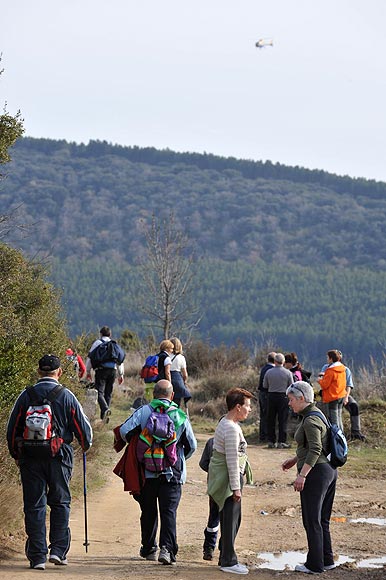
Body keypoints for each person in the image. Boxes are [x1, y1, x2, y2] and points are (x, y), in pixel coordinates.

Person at [6, 354, 93, 570]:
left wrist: (17, 456)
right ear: (60, 372)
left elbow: (11, 430)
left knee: (34, 505)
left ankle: (37, 557)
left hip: (30, 458)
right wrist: (83, 444)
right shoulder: (67, 396)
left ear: (38, 372)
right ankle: (58, 551)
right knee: (60, 502)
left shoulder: (26, 395)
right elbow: (85, 434)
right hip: (59, 457)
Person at [119, 379, 197, 565]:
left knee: (148, 511)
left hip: (146, 473)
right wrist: (178, 458)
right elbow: (192, 446)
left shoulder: (143, 411)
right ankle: (167, 550)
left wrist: (140, 447)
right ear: (172, 395)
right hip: (172, 473)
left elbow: (124, 431)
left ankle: (149, 549)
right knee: (168, 512)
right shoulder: (180, 416)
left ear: (153, 395)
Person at [281, 381, 337, 574]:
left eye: (291, 400)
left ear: (301, 398)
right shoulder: (318, 414)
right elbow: (311, 446)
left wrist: (302, 475)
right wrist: (294, 459)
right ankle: (326, 560)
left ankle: (314, 565)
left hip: (317, 473)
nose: (289, 404)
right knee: (322, 519)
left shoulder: (310, 420)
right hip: (328, 470)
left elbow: (315, 449)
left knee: (311, 520)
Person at [207, 388, 253, 575]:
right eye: (248, 406)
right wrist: (236, 488)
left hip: (225, 478)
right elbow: (232, 461)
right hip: (228, 481)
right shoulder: (231, 428)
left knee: (230, 519)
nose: (249, 410)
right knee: (231, 520)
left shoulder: (227, 423)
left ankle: (225, 556)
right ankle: (228, 560)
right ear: (238, 407)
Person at [320, 350, 365, 441]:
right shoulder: (326, 367)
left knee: (354, 406)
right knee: (334, 415)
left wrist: (346, 397)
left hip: (343, 393)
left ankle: (355, 431)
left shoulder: (345, 369)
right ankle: (334, 435)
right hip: (332, 394)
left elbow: (349, 385)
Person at [86, 326, 124, 422]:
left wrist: (88, 372)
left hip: (101, 370)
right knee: (108, 393)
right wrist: (121, 375)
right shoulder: (114, 345)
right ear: (110, 334)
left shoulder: (97, 343)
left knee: (99, 392)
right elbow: (120, 361)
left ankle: (105, 409)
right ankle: (105, 418)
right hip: (113, 371)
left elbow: (90, 358)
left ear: (101, 334)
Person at [263, 353, 294, 448]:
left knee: (271, 419)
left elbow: (265, 385)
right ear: (283, 362)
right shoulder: (288, 373)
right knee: (282, 419)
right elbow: (291, 385)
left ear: (275, 361)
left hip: (271, 396)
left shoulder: (268, 372)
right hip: (283, 397)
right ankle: (282, 441)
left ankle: (271, 441)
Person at [199, 436, 220, 561]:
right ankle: (225, 550)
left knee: (214, 517)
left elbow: (203, 463)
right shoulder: (237, 439)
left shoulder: (211, 441)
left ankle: (209, 548)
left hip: (214, 484)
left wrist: (214, 471)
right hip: (231, 487)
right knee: (229, 520)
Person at [317, 350, 347, 432]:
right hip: (341, 395)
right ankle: (342, 437)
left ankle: (337, 440)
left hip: (332, 397)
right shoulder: (342, 368)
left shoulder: (330, 370)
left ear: (331, 359)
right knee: (339, 418)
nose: (327, 359)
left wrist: (319, 380)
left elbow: (325, 385)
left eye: (328, 357)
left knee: (334, 421)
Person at [256, 352, 275, 443]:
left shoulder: (264, 368)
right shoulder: (272, 369)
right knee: (268, 415)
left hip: (261, 393)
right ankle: (267, 435)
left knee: (263, 415)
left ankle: (262, 436)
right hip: (267, 394)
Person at [169, 337, 192, 407]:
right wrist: (184, 381)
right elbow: (185, 375)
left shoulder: (166, 356)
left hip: (167, 380)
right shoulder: (181, 358)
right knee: (176, 404)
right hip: (177, 381)